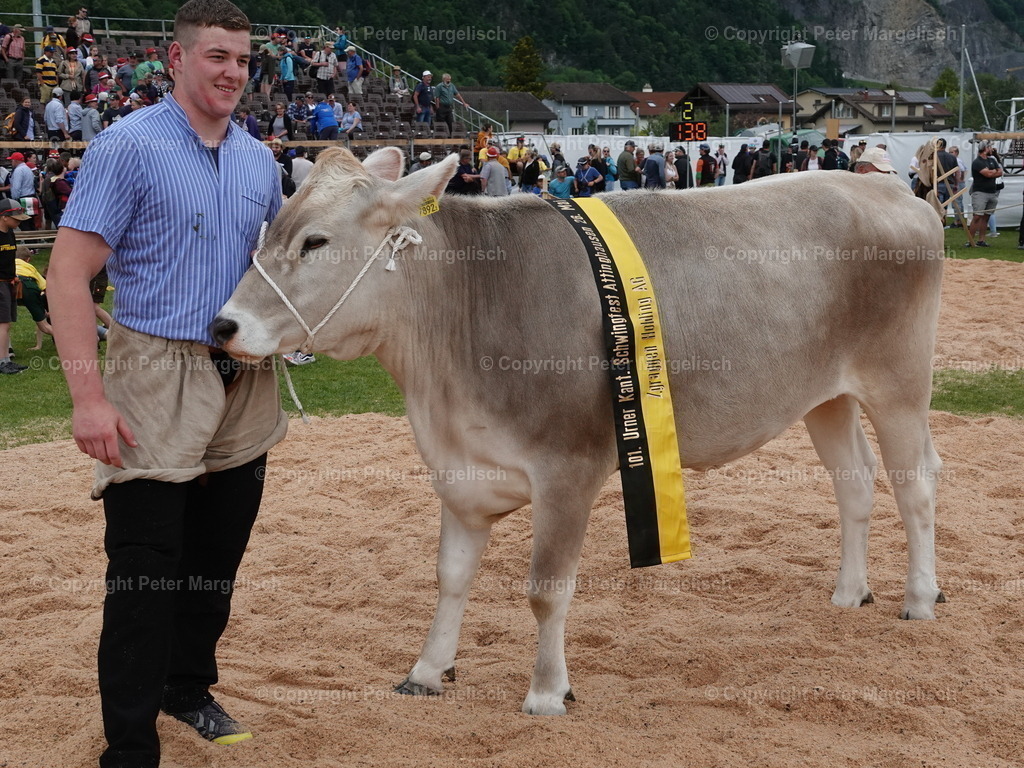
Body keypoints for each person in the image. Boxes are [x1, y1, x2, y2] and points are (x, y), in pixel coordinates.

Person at [46, 1, 287, 765]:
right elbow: (67, 275)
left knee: (216, 562)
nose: (232, 74)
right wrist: (89, 398)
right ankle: (128, 743)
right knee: (145, 572)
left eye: (243, 61)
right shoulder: (128, 146)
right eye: (217, 57)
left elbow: (279, 274)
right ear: (176, 61)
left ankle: (186, 689)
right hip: (154, 371)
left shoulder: (257, 159)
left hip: (244, 379)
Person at [0, 199, 30, 375]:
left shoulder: (10, 232)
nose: (19, 222)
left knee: (6, 323)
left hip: (8, 282)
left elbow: (10, 258)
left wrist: (14, 275)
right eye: (16, 218)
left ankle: (6, 359)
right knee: (3, 324)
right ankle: (3, 362)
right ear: (4, 217)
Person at [15, 246, 52, 350]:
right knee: (44, 325)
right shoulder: (31, 268)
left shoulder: (8, 263)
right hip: (29, 287)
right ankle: (67, 342)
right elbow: (45, 287)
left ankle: (7, 350)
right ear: (28, 259)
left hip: (11, 287)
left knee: (4, 323)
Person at [967, 140, 1002, 248]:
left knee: (986, 217)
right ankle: (970, 241)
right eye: (990, 147)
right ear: (985, 149)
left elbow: (1000, 171)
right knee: (977, 216)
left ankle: (981, 240)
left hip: (992, 192)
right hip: (980, 193)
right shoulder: (977, 162)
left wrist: (993, 172)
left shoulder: (992, 160)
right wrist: (993, 172)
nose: (991, 149)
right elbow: (987, 174)